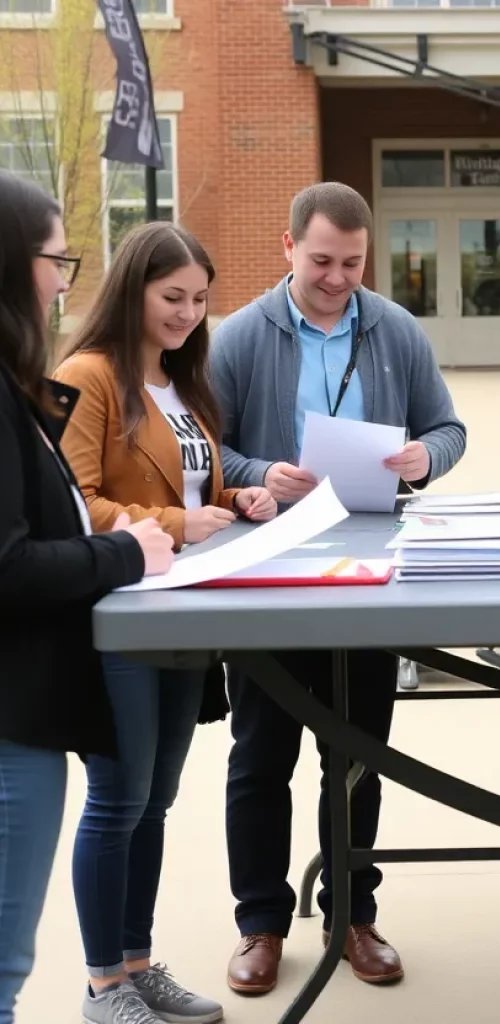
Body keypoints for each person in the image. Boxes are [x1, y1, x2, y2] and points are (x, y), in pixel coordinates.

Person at [211, 181, 466, 994]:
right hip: (271, 570)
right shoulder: (240, 337)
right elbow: (205, 448)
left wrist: (428, 458)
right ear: (288, 248)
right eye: (321, 260)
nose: (337, 277)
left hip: (369, 571)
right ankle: (259, 923)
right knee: (260, 756)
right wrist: (256, 472)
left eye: (352, 262)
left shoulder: (395, 328)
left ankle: (354, 915)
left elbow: (448, 428)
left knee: (356, 755)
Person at [54, 222, 276, 1024]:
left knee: (156, 802)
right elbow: (75, 504)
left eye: (199, 300)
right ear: (132, 291)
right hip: (123, 617)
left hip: (186, 608)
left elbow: (192, 494)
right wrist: (178, 525)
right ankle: (102, 984)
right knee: (118, 799)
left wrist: (233, 501)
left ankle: (140, 966)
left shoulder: (186, 384)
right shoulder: (88, 377)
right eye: (171, 297)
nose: (187, 313)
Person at [0, 173, 173, 1024]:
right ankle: (111, 983)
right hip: (13, 719)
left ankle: (133, 966)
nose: (64, 278)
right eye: (54, 258)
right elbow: (9, 564)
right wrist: (126, 549)